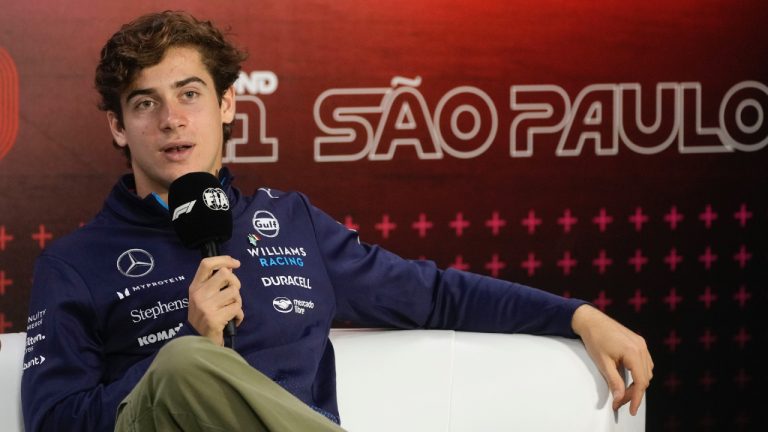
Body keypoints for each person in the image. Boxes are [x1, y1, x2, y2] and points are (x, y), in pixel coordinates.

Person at [20, 10, 653, 432]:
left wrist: (576, 314)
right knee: (185, 362)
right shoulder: (74, 262)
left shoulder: (290, 223)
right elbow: (54, 420)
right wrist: (179, 359)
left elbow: (432, 294)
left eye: (189, 94)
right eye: (145, 104)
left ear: (228, 103)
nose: (172, 120)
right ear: (117, 127)